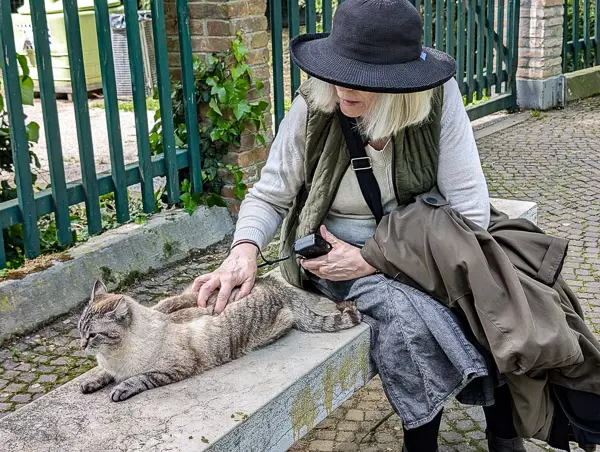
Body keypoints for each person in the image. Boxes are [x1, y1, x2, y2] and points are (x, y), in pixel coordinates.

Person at [191, 0, 526, 450]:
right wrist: (243, 250)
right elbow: (270, 194)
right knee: (405, 315)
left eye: (361, 79)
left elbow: (469, 213)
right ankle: (421, 443)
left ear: (398, 87)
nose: (343, 87)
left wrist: (375, 258)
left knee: (489, 298)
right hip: (334, 260)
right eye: (338, 71)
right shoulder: (313, 105)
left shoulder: (438, 102)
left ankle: (503, 432)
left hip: (426, 245)